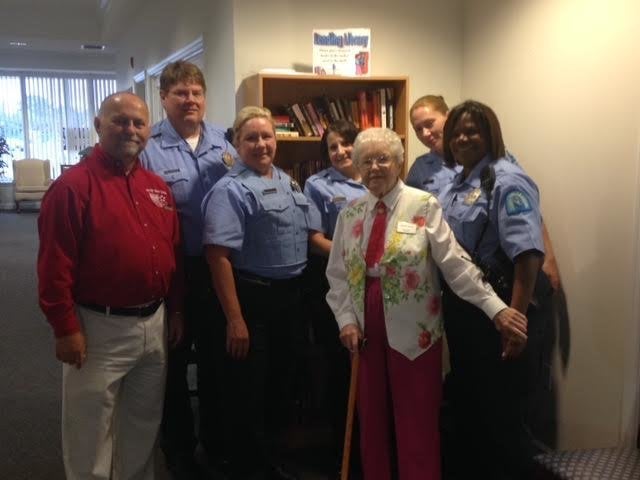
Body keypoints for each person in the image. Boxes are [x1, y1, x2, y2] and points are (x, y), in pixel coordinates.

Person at [326, 127, 528, 480]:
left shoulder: (423, 204)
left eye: (383, 158)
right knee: (370, 418)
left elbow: (454, 264)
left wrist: (496, 308)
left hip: (414, 325)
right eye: (367, 161)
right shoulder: (351, 213)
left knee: (416, 418)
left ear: (399, 161)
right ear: (357, 166)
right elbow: (338, 274)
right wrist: (345, 320)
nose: (375, 167)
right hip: (363, 322)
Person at [37, 92, 183, 480]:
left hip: (154, 323)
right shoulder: (72, 187)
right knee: (90, 431)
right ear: (98, 125)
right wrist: (65, 328)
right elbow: (54, 266)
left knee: (142, 425)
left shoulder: (157, 188)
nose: (130, 130)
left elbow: (172, 253)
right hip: (97, 327)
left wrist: (176, 309)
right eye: (120, 121)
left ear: (149, 130)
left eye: (138, 123)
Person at [202, 106, 323, 480]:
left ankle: (270, 461)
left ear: (276, 140)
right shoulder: (229, 190)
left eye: (266, 136)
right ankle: (247, 468)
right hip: (252, 300)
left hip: (290, 300)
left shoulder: (288, 182)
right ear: (237, 144)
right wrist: (235, 319)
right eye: (251, 138)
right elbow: (217, 256)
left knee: (281, 385)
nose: (261, 144)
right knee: (248, 393)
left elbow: (312, 237)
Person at [438, 100, 553, 479]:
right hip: (467, 311)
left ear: (491, 134)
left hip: (502, 310)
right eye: (455, 132)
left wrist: (515, 319)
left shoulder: (506, 180)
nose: (462, 138)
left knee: (503, 415)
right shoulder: (456, 183)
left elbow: (527, 256)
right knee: (473, 407)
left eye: (472, 130)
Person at [140, 59, 237, 478]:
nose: (190, 100)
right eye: (180, 93)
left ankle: (216, 443)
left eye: (196, 92)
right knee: (173, 364)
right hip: (175, 271)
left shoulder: (226, 142)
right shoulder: (148, 146)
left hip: (221, 269)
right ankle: (177, 447)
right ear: (164, 98)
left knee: (219, 361)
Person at [407, 94, 562, 291]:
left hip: (499, 272)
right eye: (418, 129)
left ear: (448, 116)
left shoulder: (496, 160)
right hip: (453, 276)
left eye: (429, 124)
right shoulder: (420, 170)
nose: (425, 133)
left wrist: (549, 258)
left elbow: (526, 211)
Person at [303, 119, 367, 475]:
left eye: (347, 143)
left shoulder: (379, 174)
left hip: (379, 291)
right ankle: (342, 452)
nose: (341, 151)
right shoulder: (317, 185)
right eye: (333, 147)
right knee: (340, 371)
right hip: (338, 287)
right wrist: (355, 260)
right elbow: (314, 239)